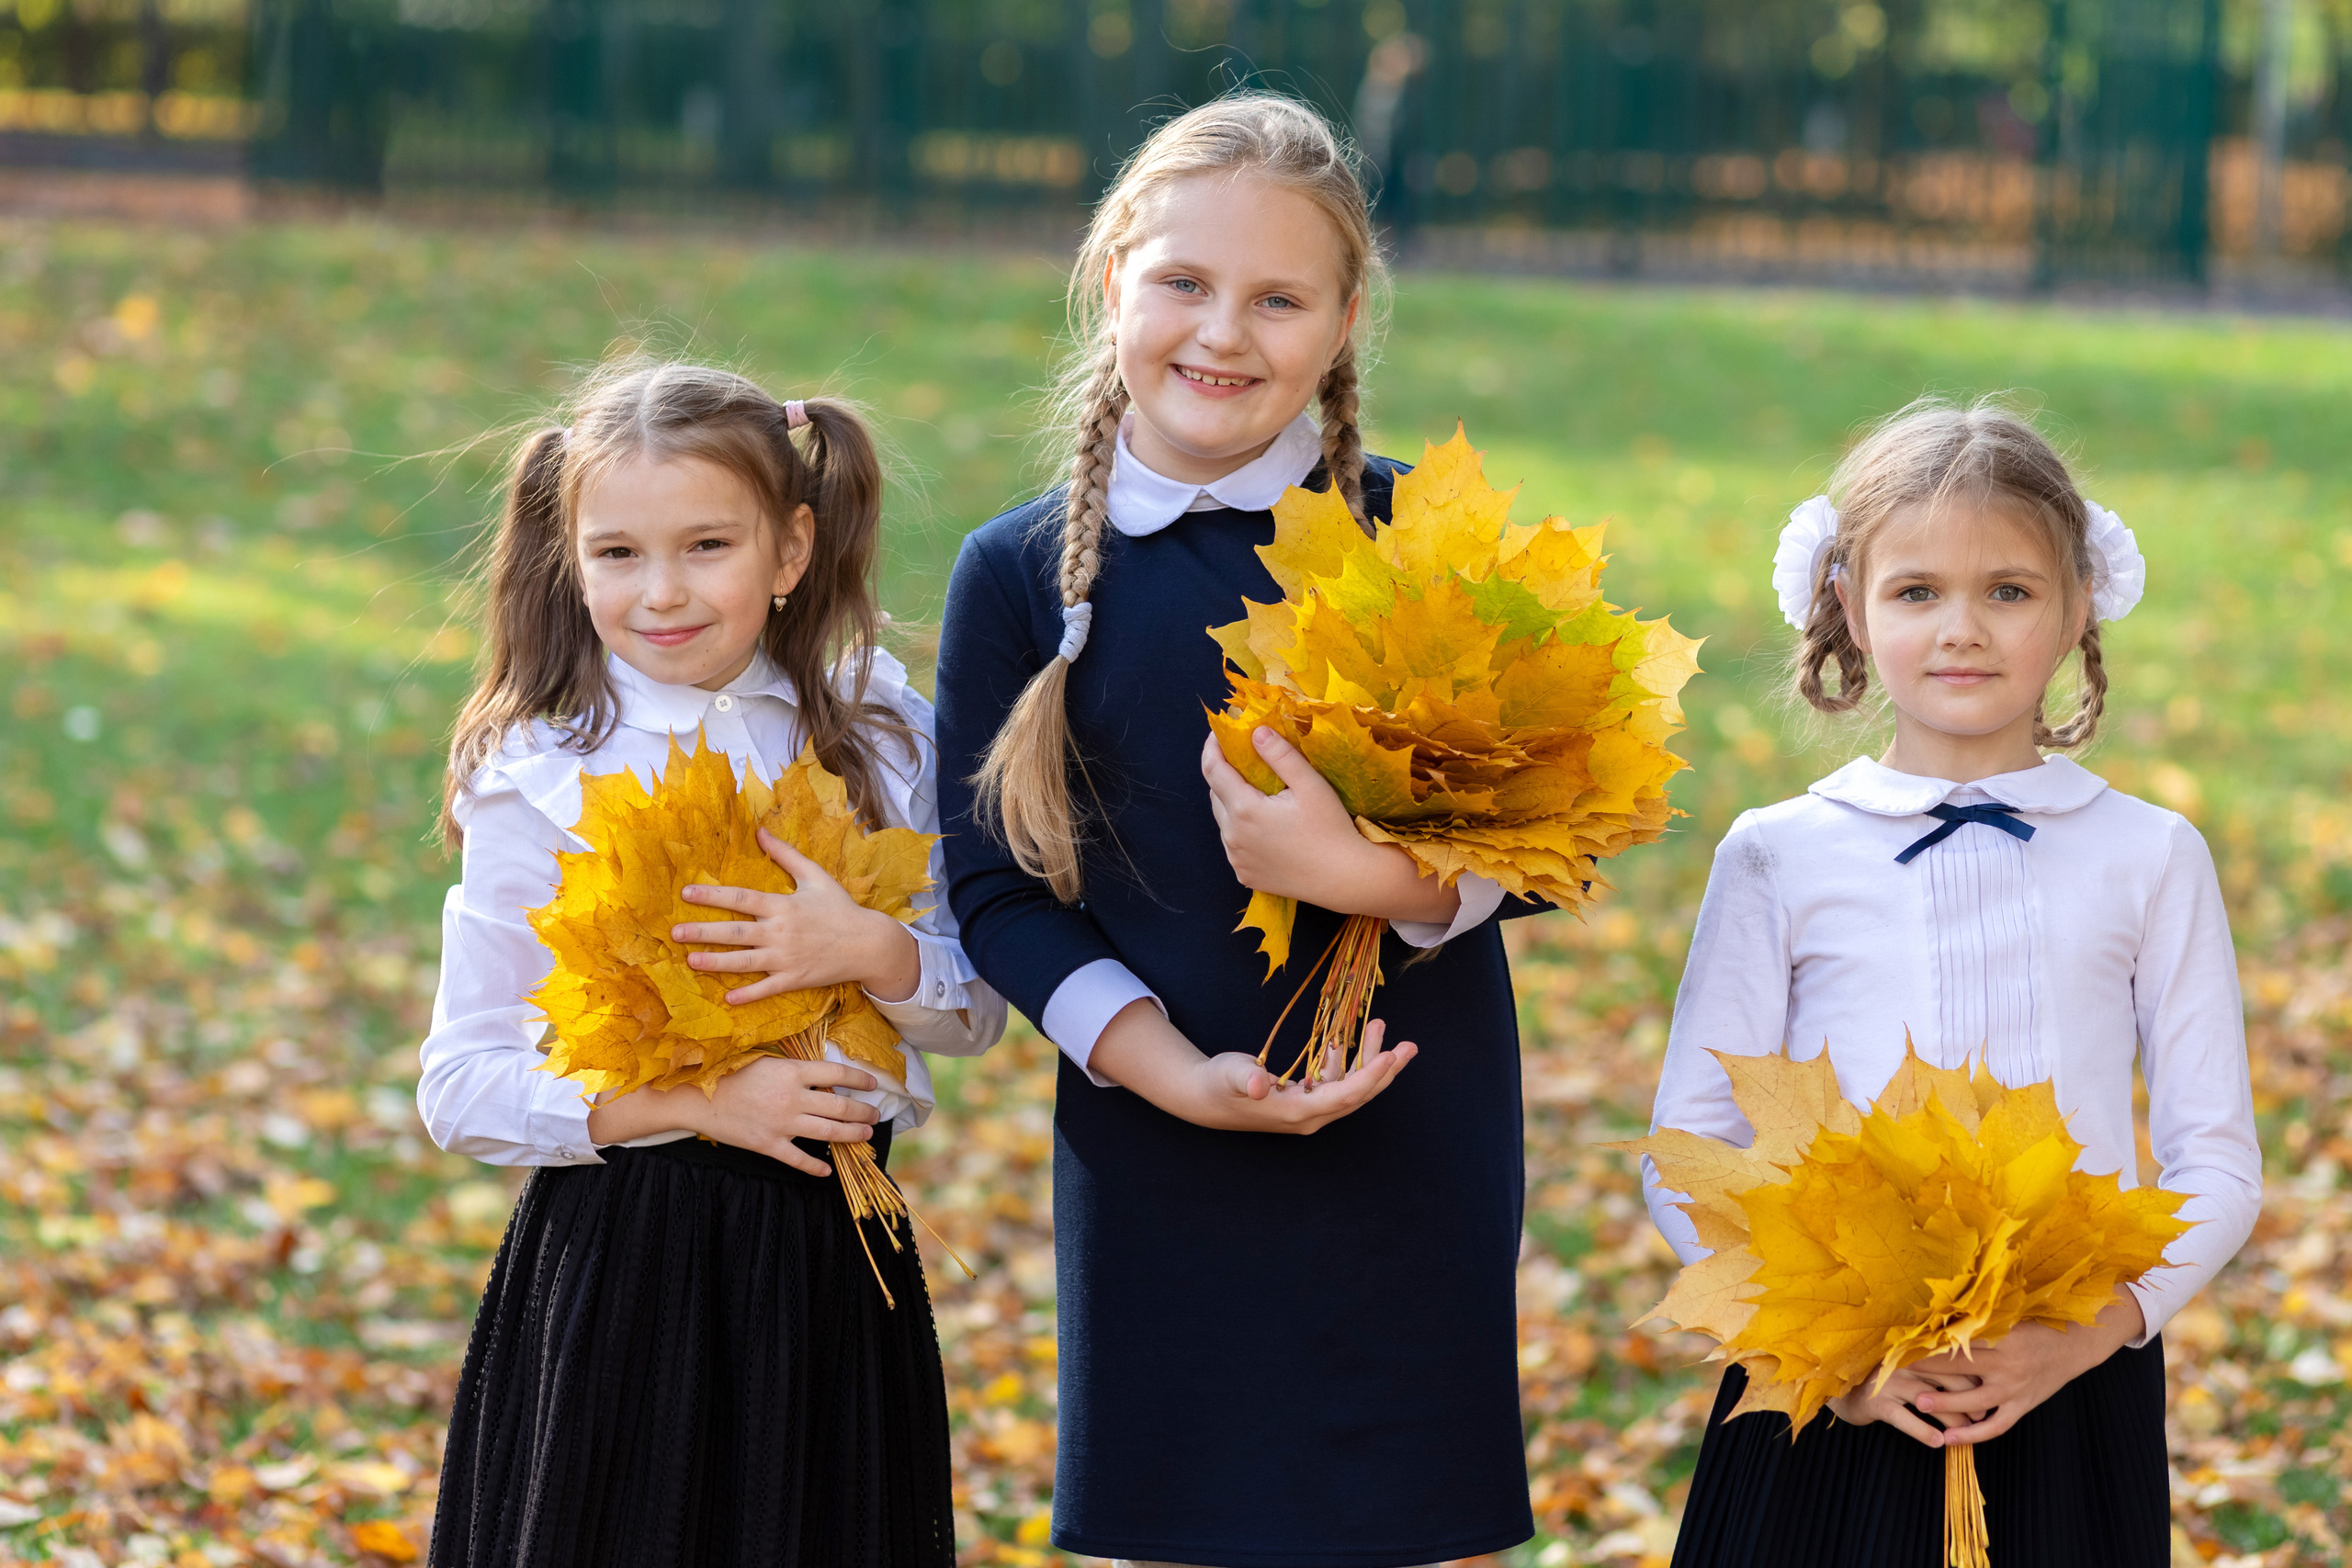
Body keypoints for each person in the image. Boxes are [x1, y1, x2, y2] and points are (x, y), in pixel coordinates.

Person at [933, 94, 1543, 1568]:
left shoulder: (1418, 545)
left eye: (1279, 298)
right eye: (1185, 285)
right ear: (1111, 282)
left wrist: (1361, 876)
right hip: (1160, 1142)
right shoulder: (1019, 572)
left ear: (1343, 324)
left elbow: (1545, 832)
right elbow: (996, 889)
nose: (1224, 333)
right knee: (1180, 1530)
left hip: (1413, 1130)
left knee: (1400, 1523)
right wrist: (1165, 1071)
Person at [1645, 399, 2261, 1568]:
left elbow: (2215, 1161)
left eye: (2010, 591)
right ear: (1851, 608)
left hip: (2066, 1378)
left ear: (2079, 602)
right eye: (1917, 591)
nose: (1962, 630)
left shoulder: (2148, 854)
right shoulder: (1778, 852)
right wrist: (1833, 1361)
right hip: (1827, 1380)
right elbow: (1688, 1145)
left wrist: (2089, 1334)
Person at [416, 360, 1006, 1568]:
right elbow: (460, 1083)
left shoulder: (876, 727)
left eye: (706, 545)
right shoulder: (543, 765)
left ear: (790, 550)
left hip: (834, 1252)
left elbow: (976, 1009)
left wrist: (868, 945)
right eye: (618, 553)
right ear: (569, 554)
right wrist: (700, 1104)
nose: (662, 592)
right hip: (625, 1258)